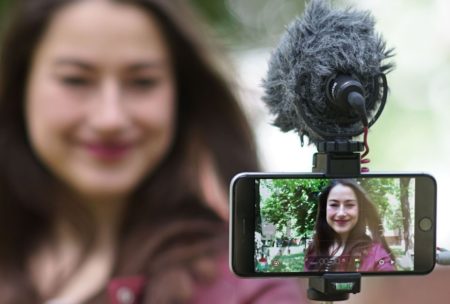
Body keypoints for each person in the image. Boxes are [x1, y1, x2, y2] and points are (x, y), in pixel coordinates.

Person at [0, 0, 305, 303]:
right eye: (75, 79)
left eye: (143, 82)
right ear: (22, 86)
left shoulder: (248, 282)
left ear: (180, 98)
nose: (111, 118)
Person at [304, 179, 395, 272]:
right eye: (334, 205)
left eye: (349, 205)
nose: (341, 213)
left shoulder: (378, 255)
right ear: (324, 209)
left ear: (360, 210)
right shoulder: (314, 250)